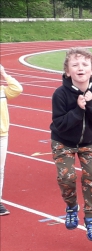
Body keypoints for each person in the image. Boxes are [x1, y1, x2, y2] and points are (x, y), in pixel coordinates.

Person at [50, 47, 92, 241]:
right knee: (66, 178)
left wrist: (91, 105)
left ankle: (91, 218)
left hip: (89, 142)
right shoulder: (60, 94)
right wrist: (79, 110)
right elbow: (60, 124)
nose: (80, 68)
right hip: (63, 141)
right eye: (75, 65)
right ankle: (71, 206)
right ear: (67, 71)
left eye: (85, 65)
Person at [0, 64, 23, 216]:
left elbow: (18, 89)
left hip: (2, 134)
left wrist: (4, 73)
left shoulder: (3, 91)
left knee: (0, 169)